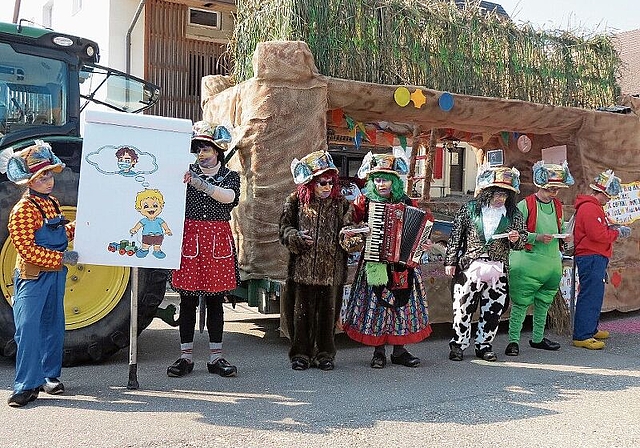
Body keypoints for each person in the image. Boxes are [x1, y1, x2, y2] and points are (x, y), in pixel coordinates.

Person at [341, 151, 432, 369]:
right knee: (378, 306)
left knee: (401, 306)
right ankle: (378, 352)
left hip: (402, 265)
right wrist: (359, 232)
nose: (382, 184)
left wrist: (422, 244)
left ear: (394, 181)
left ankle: (399, 351)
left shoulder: (407, 201)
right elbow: (349, 227)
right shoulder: (364, 202)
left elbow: (419, 228)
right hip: (375, 261)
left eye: (386, 180)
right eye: (378, 179)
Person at [4, 141, 78, 407]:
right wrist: (63, 257)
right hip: (32, 277)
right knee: (27, 330)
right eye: (41, 176)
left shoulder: (53, 203)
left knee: (53, 326)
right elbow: (28, 251)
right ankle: (25, 385)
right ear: (28, 181)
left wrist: (80, 226)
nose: (48, 181)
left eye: (49, 174)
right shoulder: (22, 211)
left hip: (55, 275)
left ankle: (50, 377)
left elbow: (60, 233)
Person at [167, 121, 240, 378]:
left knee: (215, 301)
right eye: (198, 149)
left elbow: (229, 197)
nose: (201, 154)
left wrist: (200, 184)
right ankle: (185, 357)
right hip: (190, 238)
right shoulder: (184, 172)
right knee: (186, 301)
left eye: (206, 149)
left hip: (217, 238)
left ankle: (216, 357)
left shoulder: (232, 176)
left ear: (217, 151)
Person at [444, 164, 526, 362]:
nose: (500, 198)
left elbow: (522, 241)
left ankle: (484, 344)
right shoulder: (470, 209)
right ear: (487, 192)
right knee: (462, 308)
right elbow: (456, 236)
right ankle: (458, 344)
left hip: (497, 269)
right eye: (497, 194)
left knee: (493, 309)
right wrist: (450, 261)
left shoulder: (513, 214)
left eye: (505, 195)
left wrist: (517, 239)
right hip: (470, 266)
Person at [279, 150, 352, 371]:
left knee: (328, 317)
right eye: (322, 182)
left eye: (330, 182)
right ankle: (300, 354)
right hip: (302, 271)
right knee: (301, 314)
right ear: (311, 183)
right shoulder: (294, 202)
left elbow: (350, 231)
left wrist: (353, 236)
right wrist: (295, 237)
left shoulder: (342, 204)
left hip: (332, 272)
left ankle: (325, 354)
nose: (327, 187)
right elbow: (283, 229)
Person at [506, 161, 574, 356]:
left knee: (544, 302)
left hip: (551, 262)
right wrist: (536, 237)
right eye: (551, 189)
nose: (554, 193)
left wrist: (565, 236)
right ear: (541, 185)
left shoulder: (558, 206)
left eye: (556, 189)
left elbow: (559, 229)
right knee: (520, 303)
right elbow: (514, 233)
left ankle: (537, 338)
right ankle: (513, 341)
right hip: (528, 262)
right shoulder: (525, 205)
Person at [572, 170, 631, 350]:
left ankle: (590, 328)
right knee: (590, 294)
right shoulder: (590, 208)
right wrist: (617, 233)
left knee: (595, 294)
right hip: (591, 256)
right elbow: (597, 234)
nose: (609, 200)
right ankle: (582, 334)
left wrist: (612, 229)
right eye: (608, 196)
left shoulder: (594, 207)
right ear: (601, 193)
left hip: (595, 256)